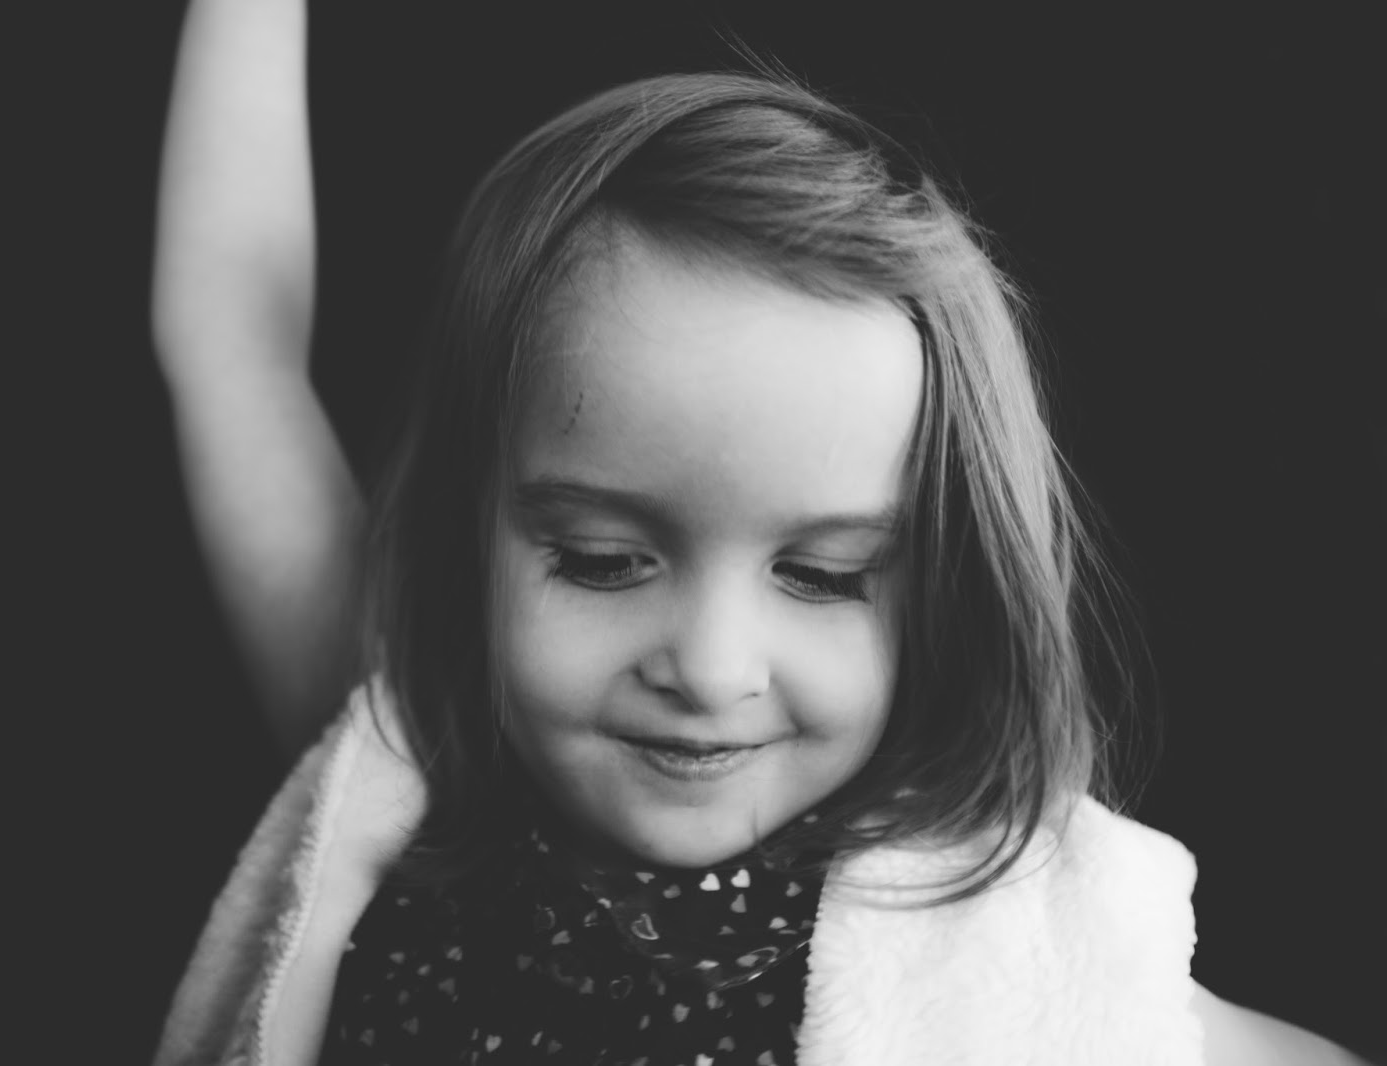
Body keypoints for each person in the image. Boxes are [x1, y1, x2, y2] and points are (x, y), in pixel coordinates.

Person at [148, 1, 1372, 1064]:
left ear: (940, 590)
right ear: (469, 540)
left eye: (823, 575)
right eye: (602, 561)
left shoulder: (1013, 937)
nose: (711, 666)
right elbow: (230, 332)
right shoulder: (408, 762)